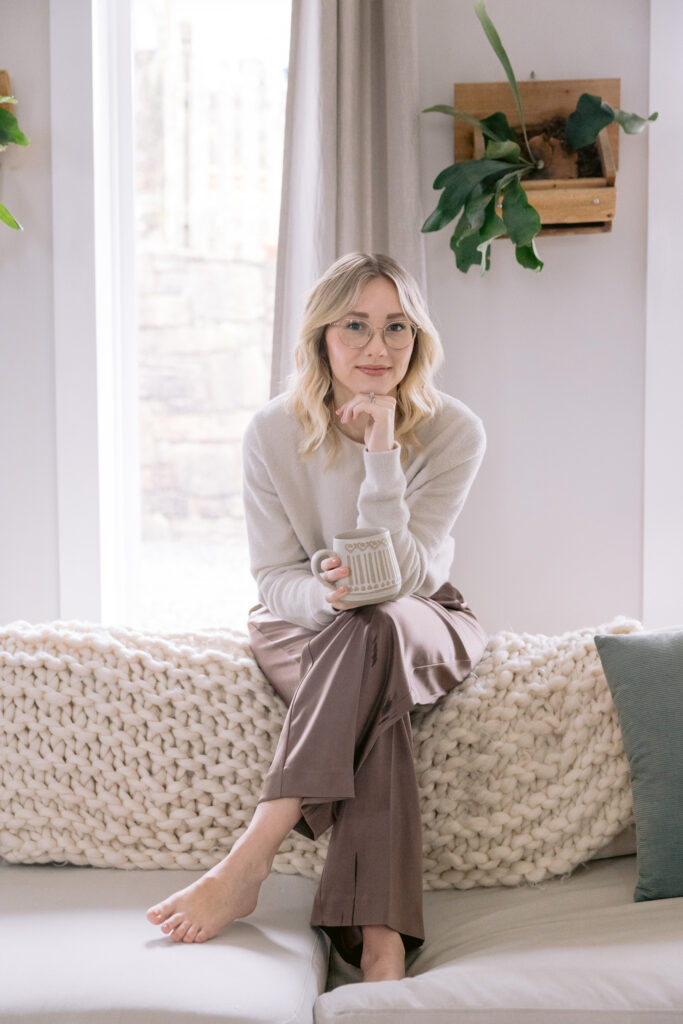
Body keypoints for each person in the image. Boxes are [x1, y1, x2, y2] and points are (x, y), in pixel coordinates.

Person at [146, 252, 489, 982]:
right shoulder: (272, 432)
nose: (377, 347)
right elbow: (273, 577)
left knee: (375, 626)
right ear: (321, 338)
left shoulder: (455, 430)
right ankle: (380, 942)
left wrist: (381, 451)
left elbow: (403, 576)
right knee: (366, 667)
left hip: (420, 616)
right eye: (355, 326)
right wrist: (323, 598)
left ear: (417, 338)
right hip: (303, 620)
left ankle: (251, 856)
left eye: (396, 328)